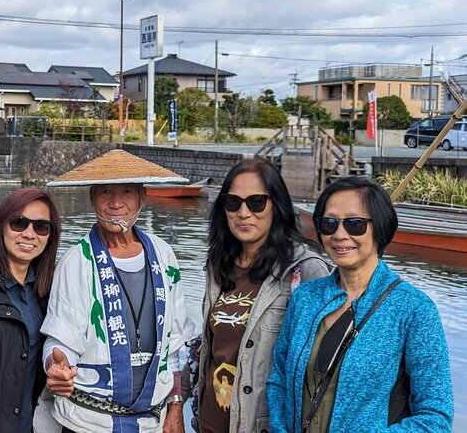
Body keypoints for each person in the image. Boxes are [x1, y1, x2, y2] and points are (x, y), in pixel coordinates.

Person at [267, 176, 453, 432]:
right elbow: (279, 378)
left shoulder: (414, 309)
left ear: (381, 227)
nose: (340, 235)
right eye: (329, 224)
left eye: (355, 224)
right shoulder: (305, 297)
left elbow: (436, 417)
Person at [40, 149, 194, 433]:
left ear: (142, 197)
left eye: (126, 191)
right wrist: (56, 366)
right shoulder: (77, 261)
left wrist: (175, 406)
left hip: (153, 421)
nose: (115, 203)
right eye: (105, 192)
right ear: (91, 198)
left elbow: (174, 345)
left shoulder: (164, 255)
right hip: (87, 421)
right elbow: (60, 340)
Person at [195, 159, 330, 433]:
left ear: (276, 206)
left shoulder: (305, 270)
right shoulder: (218, 265)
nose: (243, 212)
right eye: (233, 202)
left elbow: (324, 367)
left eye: (256, 202)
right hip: (210, 422)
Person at [0, 188, 61, 432]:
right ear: (1, 226)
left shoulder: (46, 291)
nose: (29, 234)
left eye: (41, 227)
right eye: (19, 223)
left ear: (50, 235)